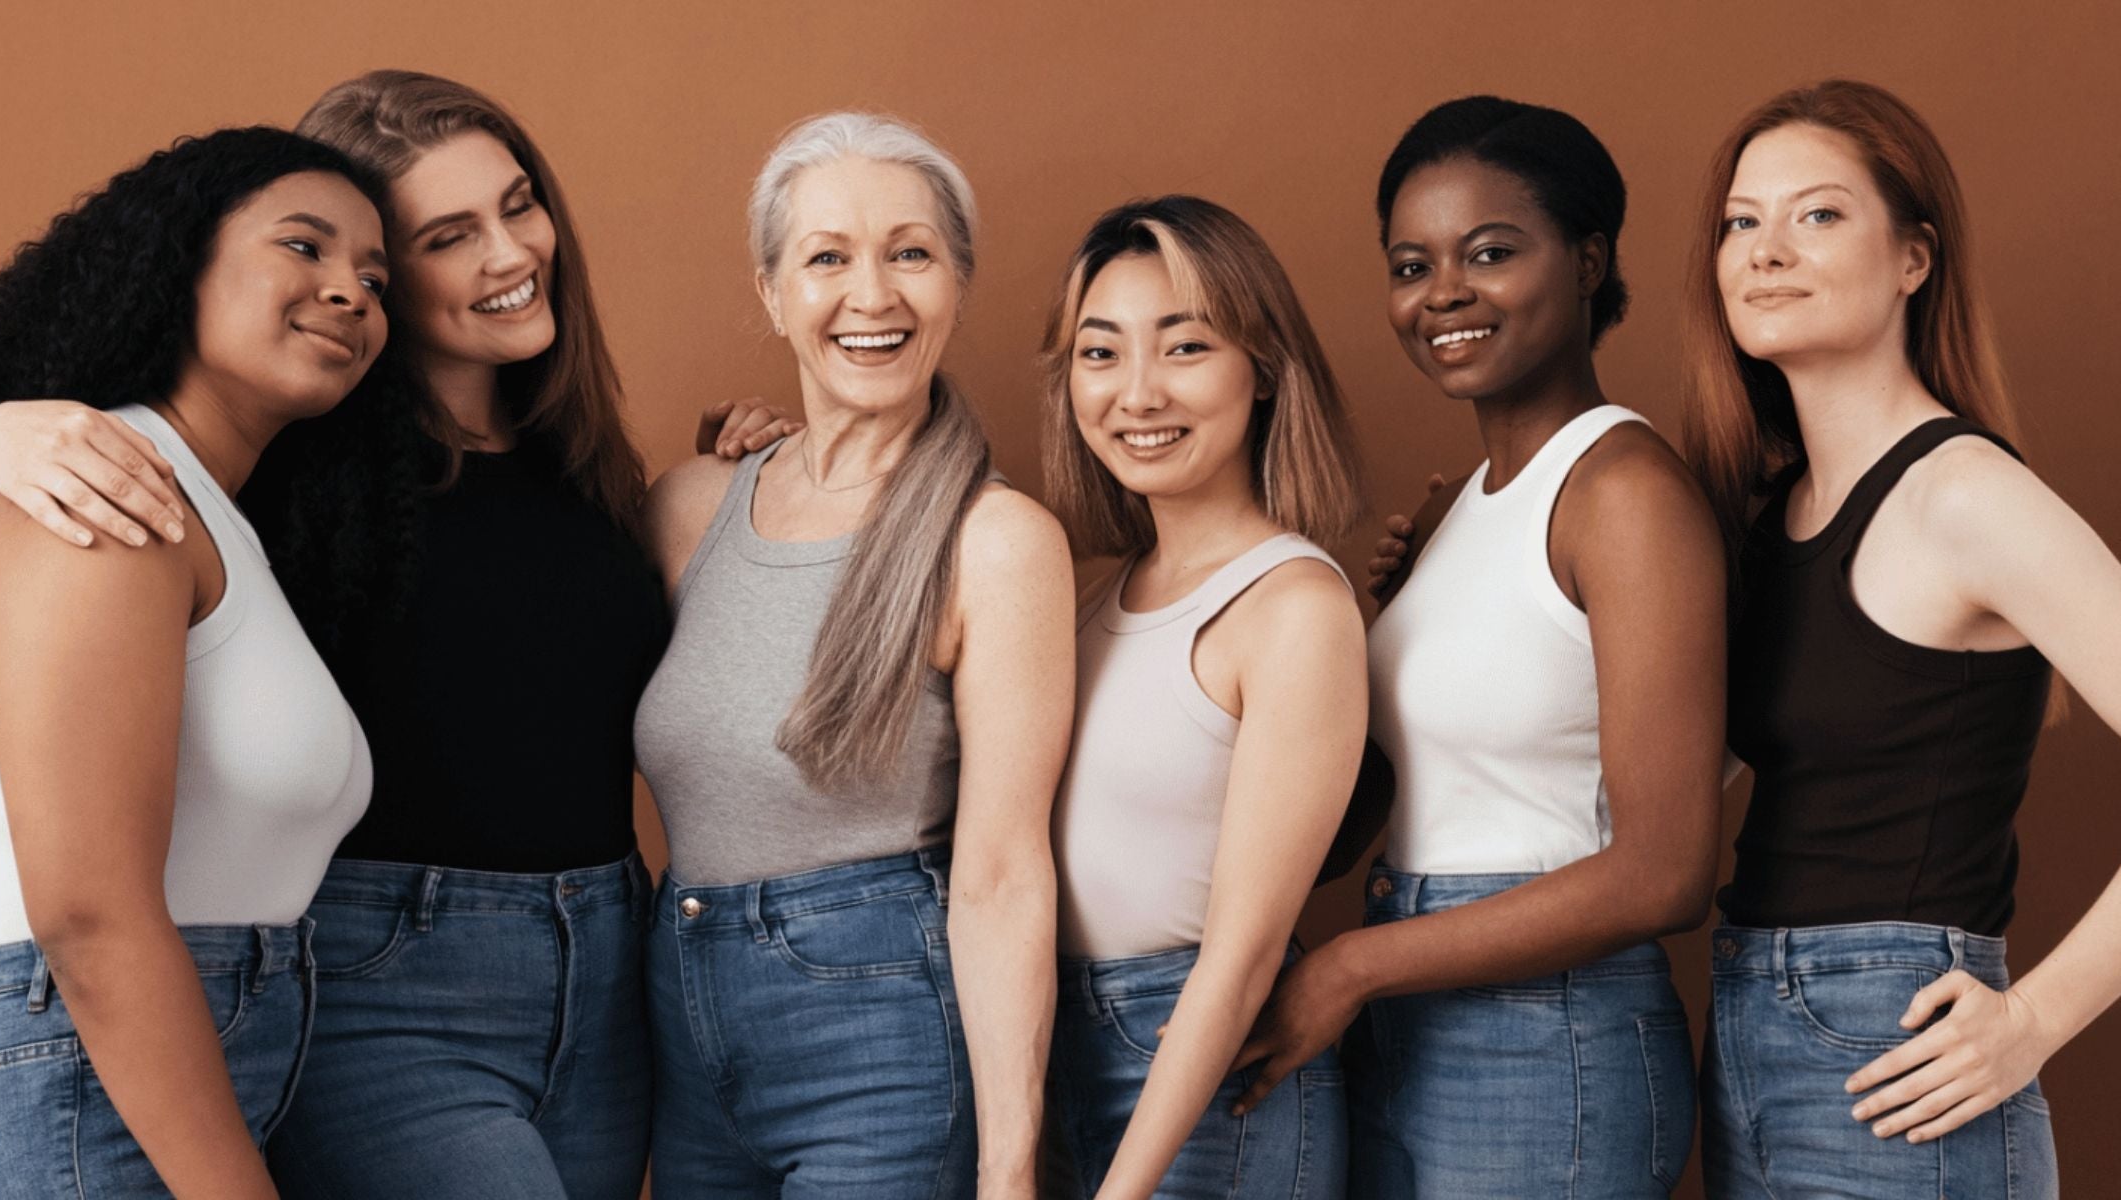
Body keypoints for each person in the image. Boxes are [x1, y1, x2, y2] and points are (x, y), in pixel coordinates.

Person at [0, 72, 791, 1197]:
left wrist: (763, 488)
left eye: (518, 204)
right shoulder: (265, 473)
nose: (507, 252)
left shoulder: (581, 473)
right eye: (445, 236)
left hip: (601, 974)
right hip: (371, 978)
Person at [1685, 79, 2121, 1198]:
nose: (1766, 250)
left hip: (1896, 1042)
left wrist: (2034, 1019)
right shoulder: (1769, 513)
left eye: (1818, 214)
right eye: (1743, 221)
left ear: (1914, 259)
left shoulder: (1964, 494)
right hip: (1748, 1026)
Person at [0, 127, 391, 1198]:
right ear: (182, 263)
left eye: (372, 276)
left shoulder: (211, 511)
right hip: (69, 1088)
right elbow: (87, 912)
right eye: (305, 248)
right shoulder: (102, 488)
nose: (353, 292)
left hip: (139, 1070)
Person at [1237, 96, 1727, 1197]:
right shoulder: (1459, 506)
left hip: (1542, 1035)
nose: (1443, 293)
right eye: (1411, 265)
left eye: (1490, 252)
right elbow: (1376, 798)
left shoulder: (1626, 495)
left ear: (1590, 259)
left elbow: (1665, 871)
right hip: (1412, 1011)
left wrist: (1352, 969)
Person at [634, 111, 1074, 1198]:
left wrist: (1009, 1169)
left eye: (910, 252)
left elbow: (1004, 872)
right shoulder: (692, 508)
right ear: (772, 293)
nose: (871, 295)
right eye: (827, 257)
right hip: (678, 1031)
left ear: (958, 285)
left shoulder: (996, 541)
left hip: (882, 1037)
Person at [1040, 196, 1364, 1198]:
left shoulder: (1295, 605)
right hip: (1061, 1043)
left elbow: (1245, 952)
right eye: (1101, 354)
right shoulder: (1083, 591)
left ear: (1262, 369)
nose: (1137, 394)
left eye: (1183, 348)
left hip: (1200, 1067)